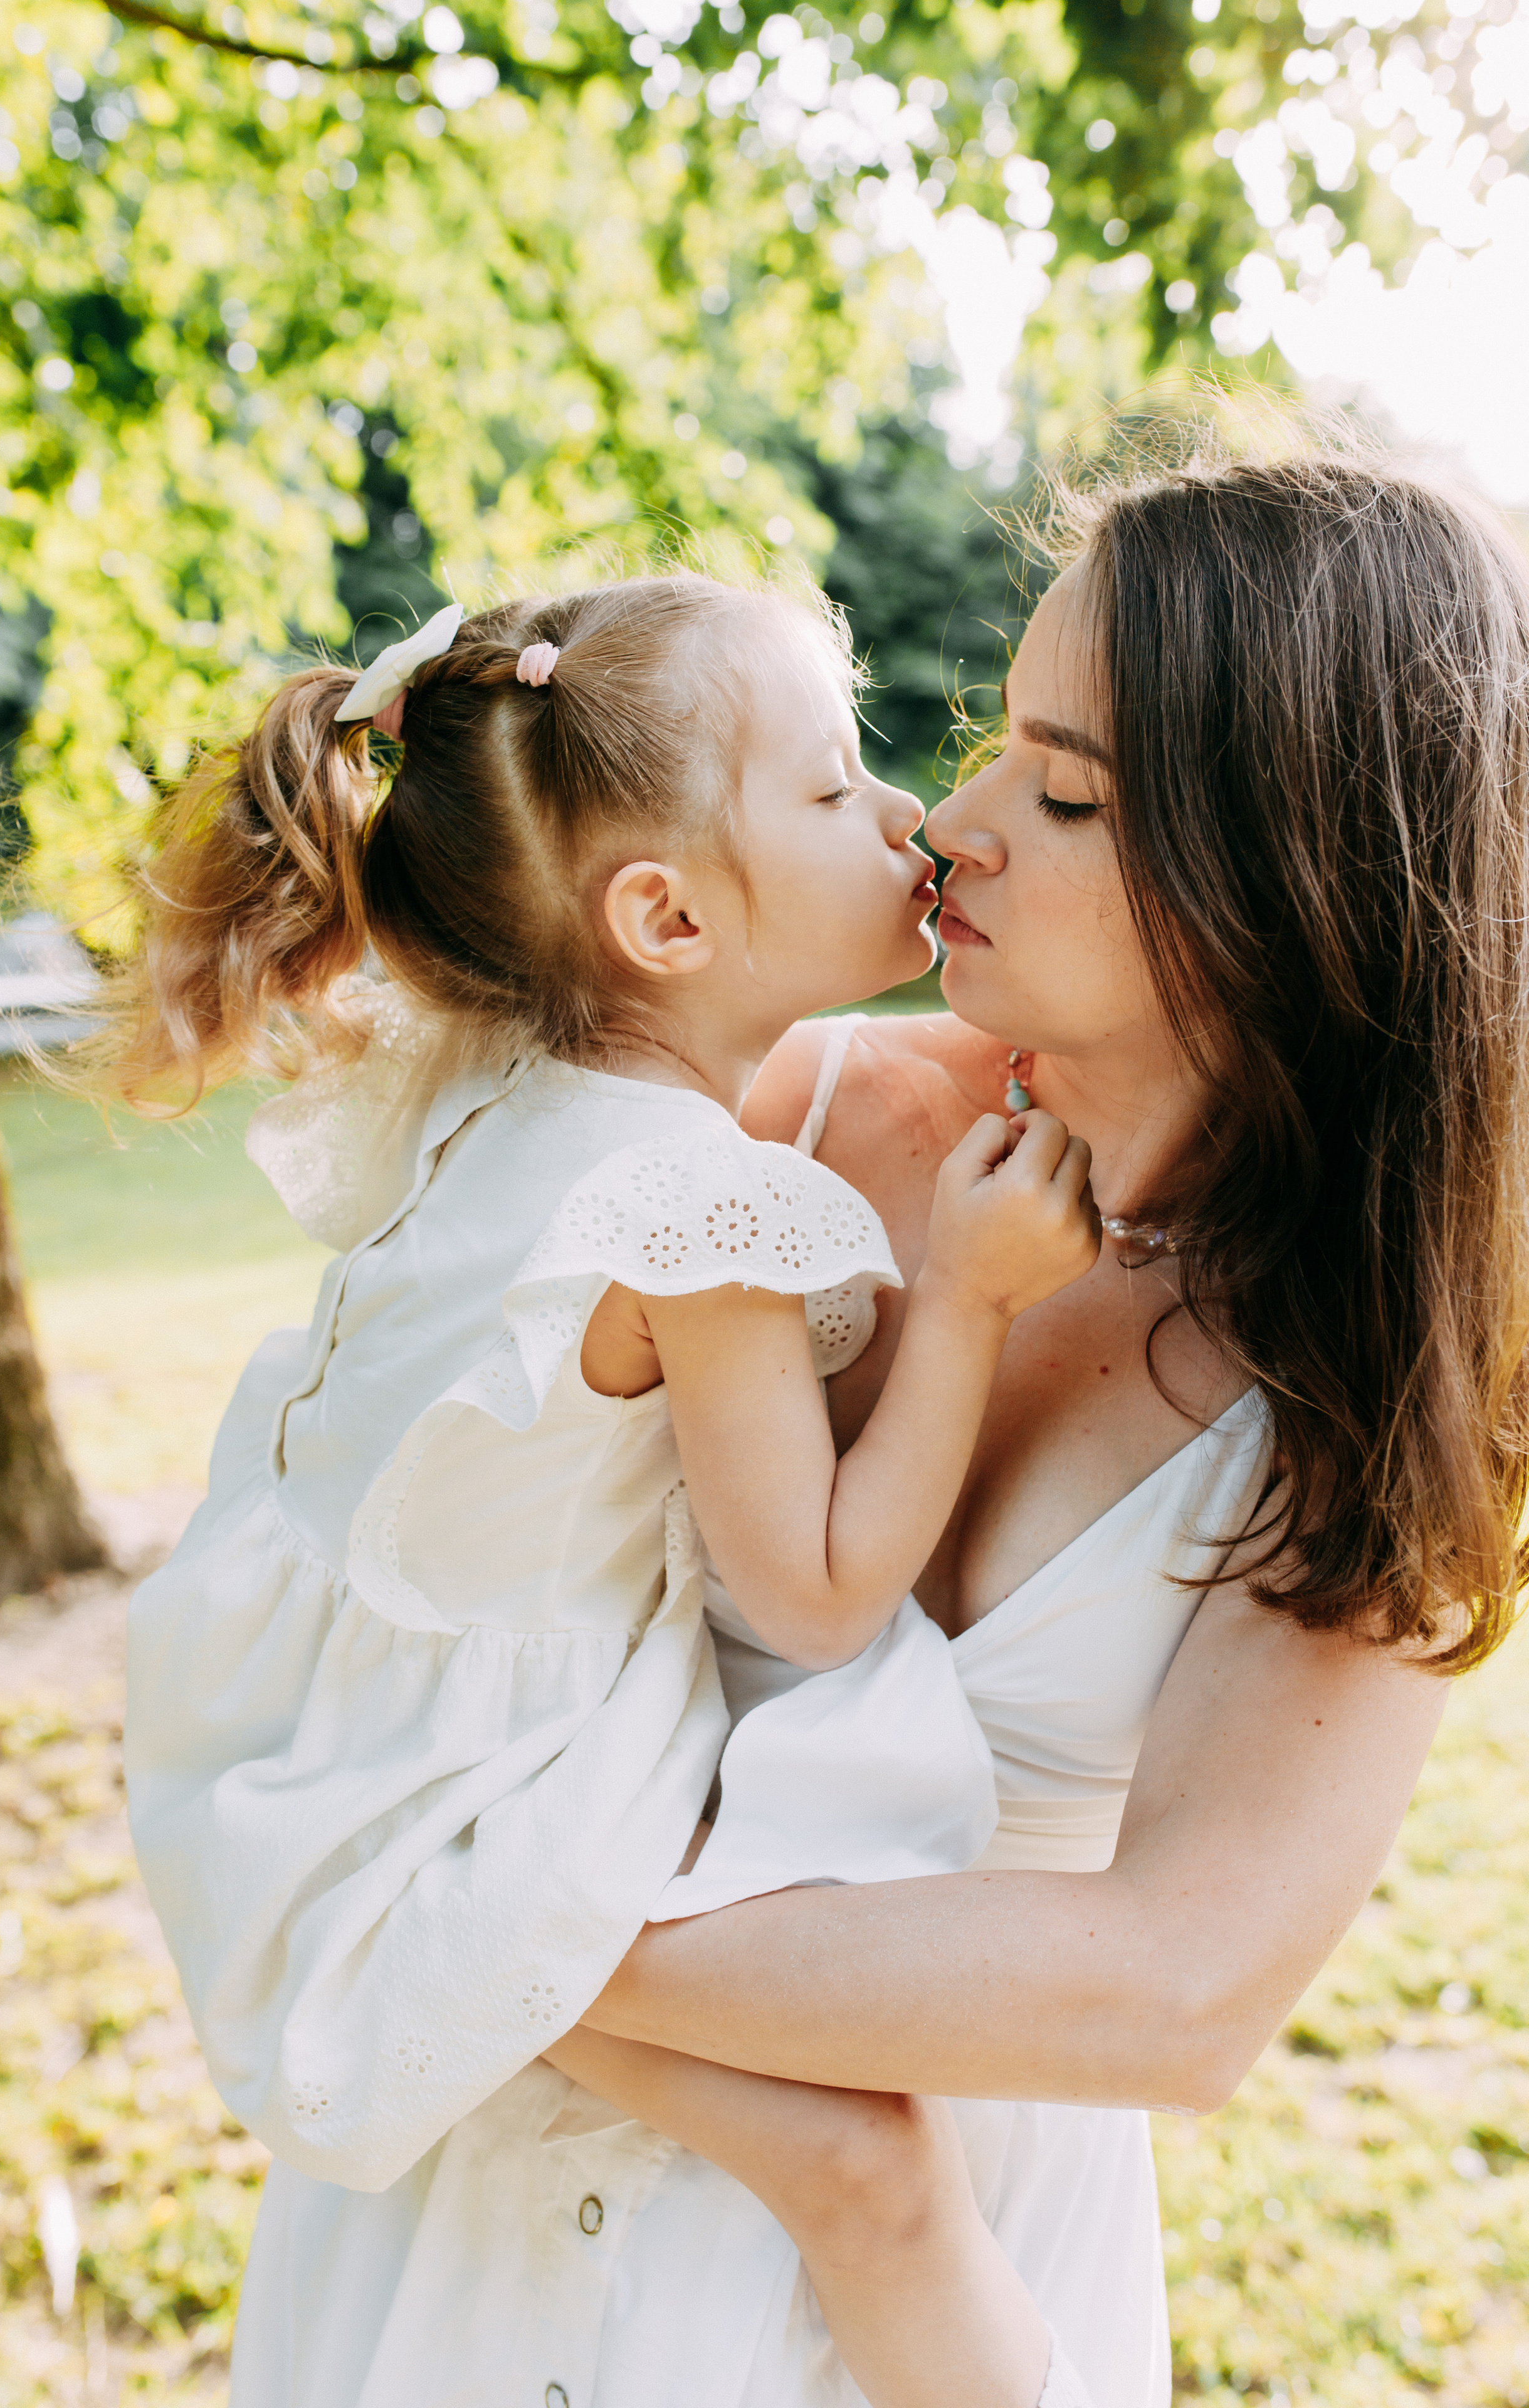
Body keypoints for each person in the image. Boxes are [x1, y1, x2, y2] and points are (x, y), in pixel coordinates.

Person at [528, 435, 1529, 2405]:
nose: (951, 818)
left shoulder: (1371, 1367)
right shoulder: (775, 1115)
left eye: (1063, 790)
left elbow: (1183, 1989)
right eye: (997, 739)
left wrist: (509, 1949)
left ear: (1289, 877)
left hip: (949, 2261)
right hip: (531, 2206)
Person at [117, 571, 1104, 2408]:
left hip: (321, 1751)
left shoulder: (500, 1087)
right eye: (827, 790)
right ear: (659, 916)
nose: (905, 815)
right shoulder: (695, 1209)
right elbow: (814, 1592)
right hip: (478, 1803)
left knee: (862, 2157)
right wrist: (964, 1293)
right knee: (867, 2166)